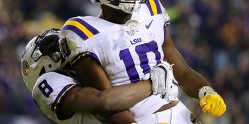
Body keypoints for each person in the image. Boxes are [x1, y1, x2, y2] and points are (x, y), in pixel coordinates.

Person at [59, 0, 226, 123]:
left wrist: (206, 91)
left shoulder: (151, 8)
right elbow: (106, 105)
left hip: (180, 114)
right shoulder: (84, 32)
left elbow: (181, 72)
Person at [21, 28, 177, 124]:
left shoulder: (89, 68)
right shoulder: (46, 82)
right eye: (52, 44)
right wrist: (153, 83)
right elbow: (102, 102)